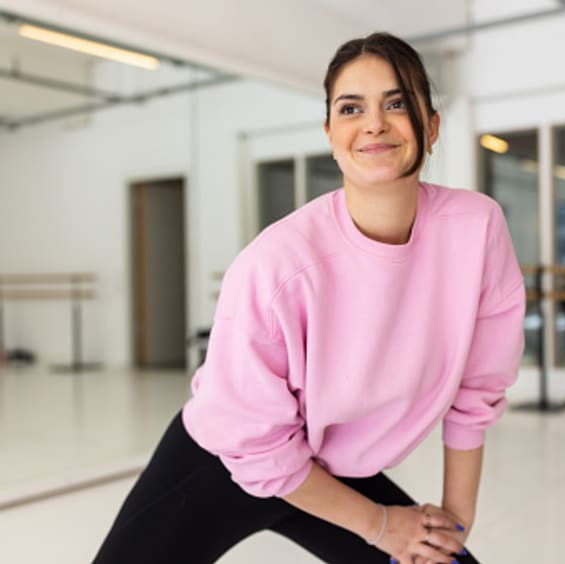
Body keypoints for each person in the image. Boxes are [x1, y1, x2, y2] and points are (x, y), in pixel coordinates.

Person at [94, 32, 525, 564]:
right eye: (351, 108)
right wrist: (382, 525)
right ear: (330, 133)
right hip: (225, 462)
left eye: (396, 103)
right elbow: (257, 447)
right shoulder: (277, 263)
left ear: (431, 126)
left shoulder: (476, 229)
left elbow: (476, 389)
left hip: (334, 470)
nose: (374, 123)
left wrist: (453, 525)